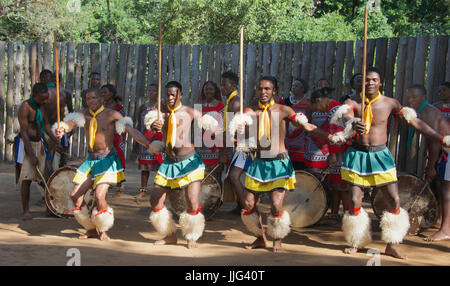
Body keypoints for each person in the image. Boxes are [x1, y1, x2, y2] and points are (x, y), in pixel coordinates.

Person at [332, 67, 450, 259]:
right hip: (357, 155)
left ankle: (392, 245)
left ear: (380, 83)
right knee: (355, 200)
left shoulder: (390, 103)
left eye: (374, 80)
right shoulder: (352, 102)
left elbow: (415, 122)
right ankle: (356, 241)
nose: (370, 83)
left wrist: (440, 138)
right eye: (366, 80)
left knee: (393, 200)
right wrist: (353, 122)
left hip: (380, 156)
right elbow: (344, 115)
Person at [232, 76, 319, 253]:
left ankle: (277, 238)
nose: (263, 92)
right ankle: (260, 237)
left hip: (279, 163)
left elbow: (307, 126)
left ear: (274, 91)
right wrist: (240, 127)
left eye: (267, 89)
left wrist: (332, 137)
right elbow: (242, 128)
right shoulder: (251, 111)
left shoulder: (284, 110)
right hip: (258, 164)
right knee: (248, 204)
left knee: (276, 205)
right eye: (260, 89)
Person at [54, 88, 150, 241]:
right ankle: (91, 228)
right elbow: (69, 124)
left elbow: (130, 130)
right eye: (88, 99)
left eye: (93, 98)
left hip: (107, 160)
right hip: (91, 161)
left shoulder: (112, 114)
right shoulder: (83, 114)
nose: (90, 101)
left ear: (100, 99)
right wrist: (62, 129)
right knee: (75, 196)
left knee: (99, 196)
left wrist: (148, 144)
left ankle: (103, 228)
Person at [146, 81, 221, 249]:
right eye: (167, 95)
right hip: (169, 163)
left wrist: (220, 129)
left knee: (192, 201)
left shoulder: (189, 111)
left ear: (180, 95)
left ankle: (191, 236)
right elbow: (150, 125)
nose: (170, 98)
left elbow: (213, 126)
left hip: (189, 162)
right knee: (155, 201)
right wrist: (153, 125)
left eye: (173, 94)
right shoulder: (159, 114)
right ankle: (170, 235)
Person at [405, 84, 450, 241]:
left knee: (446, 189)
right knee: (441, 186)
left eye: (414, 97)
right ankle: (440, 221)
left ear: (423, 97)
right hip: (444, 151)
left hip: (447, 150)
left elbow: (436, 142)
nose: (410, 101)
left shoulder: (428, 112)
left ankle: (446, 229)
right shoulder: (424, 111)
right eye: (408, 97)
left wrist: (431, 166)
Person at [16, 83, 61, 220]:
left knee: (48, 175)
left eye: (46, 98)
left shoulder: (42, 107)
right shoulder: (25, 107)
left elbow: (46, 126)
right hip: (27, 144)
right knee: (27, 179)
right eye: (42, 99)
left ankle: (50, 209)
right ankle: (26, 211)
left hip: (40, 143)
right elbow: (23, 132)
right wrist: (31, 154)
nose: (45, 101)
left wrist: (56, 141)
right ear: (34, 95)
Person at [309, 88, 351, 228]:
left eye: (316, 107)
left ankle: (347, 218)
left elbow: (338, 135)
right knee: (337, 185)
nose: (318, 110)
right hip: (339, 152)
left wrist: (332, 154)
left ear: (319, 100)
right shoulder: (334, 109)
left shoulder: (335, 110)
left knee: (342, 186)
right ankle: (336, 216)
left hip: (341, 153)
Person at [219, 71, 252, 214]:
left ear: (233, 85)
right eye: (221, 84)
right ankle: (241, 204)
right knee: (233, 175)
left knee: (233, 176)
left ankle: (248, 207)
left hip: (243, 144)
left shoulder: (235, 102)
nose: (222, 88)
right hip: (237, 144)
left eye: (224, 84)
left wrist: (224, 152)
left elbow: (232, 131)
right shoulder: (231, 101)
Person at [135, 84, 164, 200]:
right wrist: (137, 142)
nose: (151, 93)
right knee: (144, 167)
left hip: (158, 139)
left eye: (154, 91)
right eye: (149, 90)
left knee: (159, 166)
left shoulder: (162, 106)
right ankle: (143, 190)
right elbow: (139, 124)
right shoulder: (143, 107)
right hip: (144, 140)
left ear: (158, 92)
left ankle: (159, 191)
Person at [42, 71, 74, 170]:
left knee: (60, 153)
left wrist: (70, 127)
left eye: (58, 78)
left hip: (60, 126)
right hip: (46, 126)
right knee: (45, 153)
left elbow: (71, 111)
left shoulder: (65, 93)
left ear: (60, 80)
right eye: (54, 78)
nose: (56, 80)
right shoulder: (44, 92)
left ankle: (59, 173)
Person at [101, 84, 126, 198]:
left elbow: (123, 123)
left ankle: (119, 187)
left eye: (105, 92)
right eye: (102, 93)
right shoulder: (101, 107)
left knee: (118, 160)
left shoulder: (119, 108)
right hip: (104, 137)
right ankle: (103, 184)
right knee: (103, 159)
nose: (103, 95)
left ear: (111, 94)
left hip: (116, 136)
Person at [279, 78, 309, 169]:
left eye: (296, 86)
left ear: (303, 89)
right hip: (288, 136)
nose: (293, 87)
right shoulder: (285, 102)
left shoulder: (308, 103)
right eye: (293, 85)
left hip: (302, 137)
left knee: (299, 166)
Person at [197, 81, 224, 174]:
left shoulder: (220, 105)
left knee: (215, 172)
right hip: (201, 145)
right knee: (201, 173)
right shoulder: (199, 106)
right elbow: (196, 127)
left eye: (211, 89)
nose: (208, 91)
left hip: (216, 143)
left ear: (215, 91)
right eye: (206, 89)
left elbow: (223, 126)